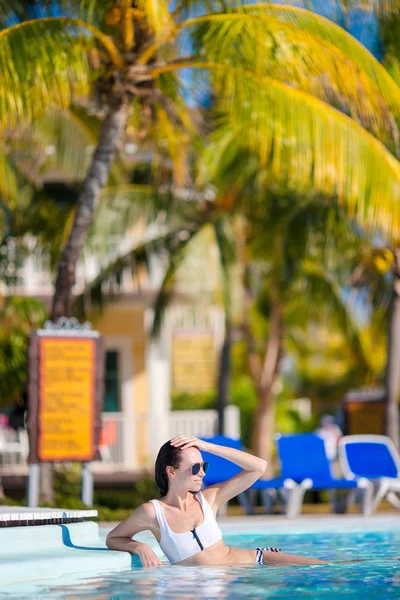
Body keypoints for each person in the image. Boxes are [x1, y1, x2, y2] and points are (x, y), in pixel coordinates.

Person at [106, 435, 328, 567]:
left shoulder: (209, 499)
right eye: (195, 467)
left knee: (326, 568)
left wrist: (207, 446)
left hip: (257, 563)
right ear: (171, 472)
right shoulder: (153, 513)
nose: (201, 473)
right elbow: (114, 538)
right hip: (212, 586)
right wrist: (141, 547)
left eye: (204, 466)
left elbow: (259, 467)